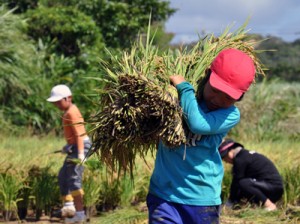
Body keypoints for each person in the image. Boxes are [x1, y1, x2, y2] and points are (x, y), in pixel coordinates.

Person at [147, 48, 256, 224]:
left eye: (228, 97)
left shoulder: (230, 114)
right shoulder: (177, 102)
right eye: (215, 89)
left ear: (239, 98)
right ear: (207, 75)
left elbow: (197, 124)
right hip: (164, 195)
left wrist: (184, 86)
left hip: (201, 200)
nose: (218, 99)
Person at [47, 84, 91, 223]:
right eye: (55, 102)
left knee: (73, 177)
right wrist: (68, 146)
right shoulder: (68, 111)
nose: (57, 105)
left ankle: (79, 214)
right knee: (63, 174)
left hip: (81, 146)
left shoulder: (72, 112)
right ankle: (69, 206)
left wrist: (80, 156)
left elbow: (79, 135)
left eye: (59, 101)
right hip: (75, 146)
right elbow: (74, 136)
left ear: (68, 98)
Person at [218, 139, 284, 211]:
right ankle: (242, 206)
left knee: (243, 183)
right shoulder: (245, 155)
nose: (226, 162)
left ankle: (270, 206)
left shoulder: (240, 159)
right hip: (273, 188)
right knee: (244, 184)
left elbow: (236, 183)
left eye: (224, 158)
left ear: (229, 153)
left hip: (272, 188)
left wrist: (230, 201)